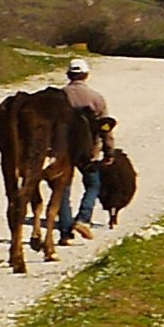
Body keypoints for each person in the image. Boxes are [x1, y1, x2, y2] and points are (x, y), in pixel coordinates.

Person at [58, 57, 115, 245]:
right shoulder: (96, 98)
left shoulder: (59, 96)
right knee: (93, 184)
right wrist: (109, 151)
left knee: (62, 189)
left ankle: (65, 233)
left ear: (68, 75)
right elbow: (105, 127)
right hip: (87, 150)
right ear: (86, 75)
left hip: (62, 149)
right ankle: (83, 219)